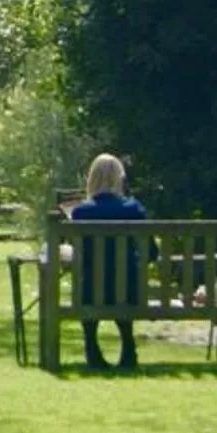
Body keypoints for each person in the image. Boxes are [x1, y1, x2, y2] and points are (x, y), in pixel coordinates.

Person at [67, 153, 149, 371]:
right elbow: (150, 252)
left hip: (91, 291)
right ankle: (128, 347)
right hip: (130, 293)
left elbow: (78, 251)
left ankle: (92, 348)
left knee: (90, 280)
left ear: (91, 178)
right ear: (119, 178)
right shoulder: (134, 209)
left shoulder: (80, 212)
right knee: (124, 280)